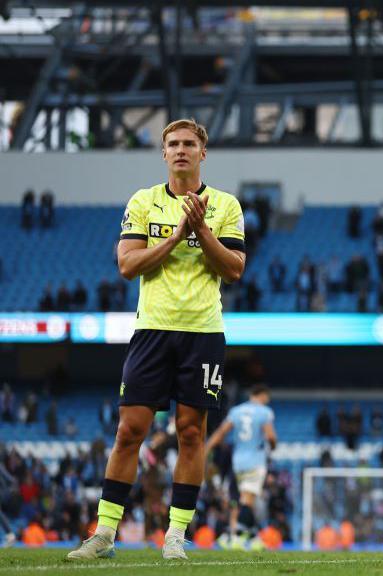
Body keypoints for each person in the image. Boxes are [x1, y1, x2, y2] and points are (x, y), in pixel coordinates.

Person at [66, 118, 246, 562]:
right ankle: (105, 534)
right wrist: (180, 235)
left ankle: (174, 536)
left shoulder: (225, 205)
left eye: (189, 143)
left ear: (203, 153)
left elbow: (234, 269)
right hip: (152, 330)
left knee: (190, 433)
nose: (181, 150)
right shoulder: (144, 202)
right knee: (130, 430)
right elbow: (128, 265)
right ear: (163, 153)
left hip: (203, 332)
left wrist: (201, 230)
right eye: (173, 144)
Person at [204, 384, 277, 549]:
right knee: (247, 501)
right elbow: (271, 436)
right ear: (262, 395)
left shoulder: (236, 411)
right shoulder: (265, 412)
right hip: (255, 461)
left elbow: (222, 432)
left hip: (237, 462)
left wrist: (207, 448)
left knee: (240, 500)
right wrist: (273, 445)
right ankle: (234, 536)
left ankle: (252, 537)